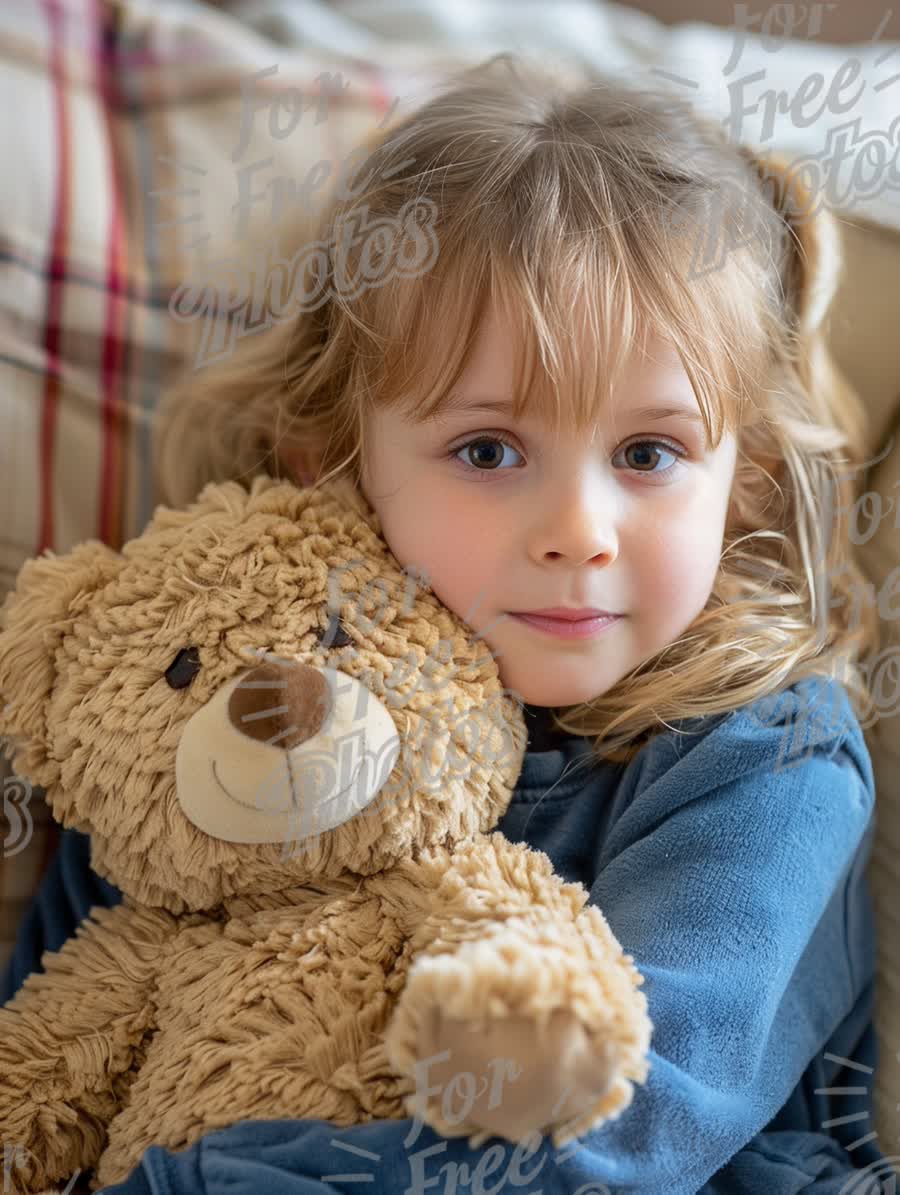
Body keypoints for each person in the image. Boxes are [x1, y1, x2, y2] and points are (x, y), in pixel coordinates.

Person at [1, 52, 887, 1194]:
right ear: (334, 456)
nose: (580, 530)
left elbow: (612, 1132)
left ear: (747, 478)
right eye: (487, 450)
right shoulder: (216, 712)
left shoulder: (769, 758)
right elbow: (60, 1026)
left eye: (649, 454)